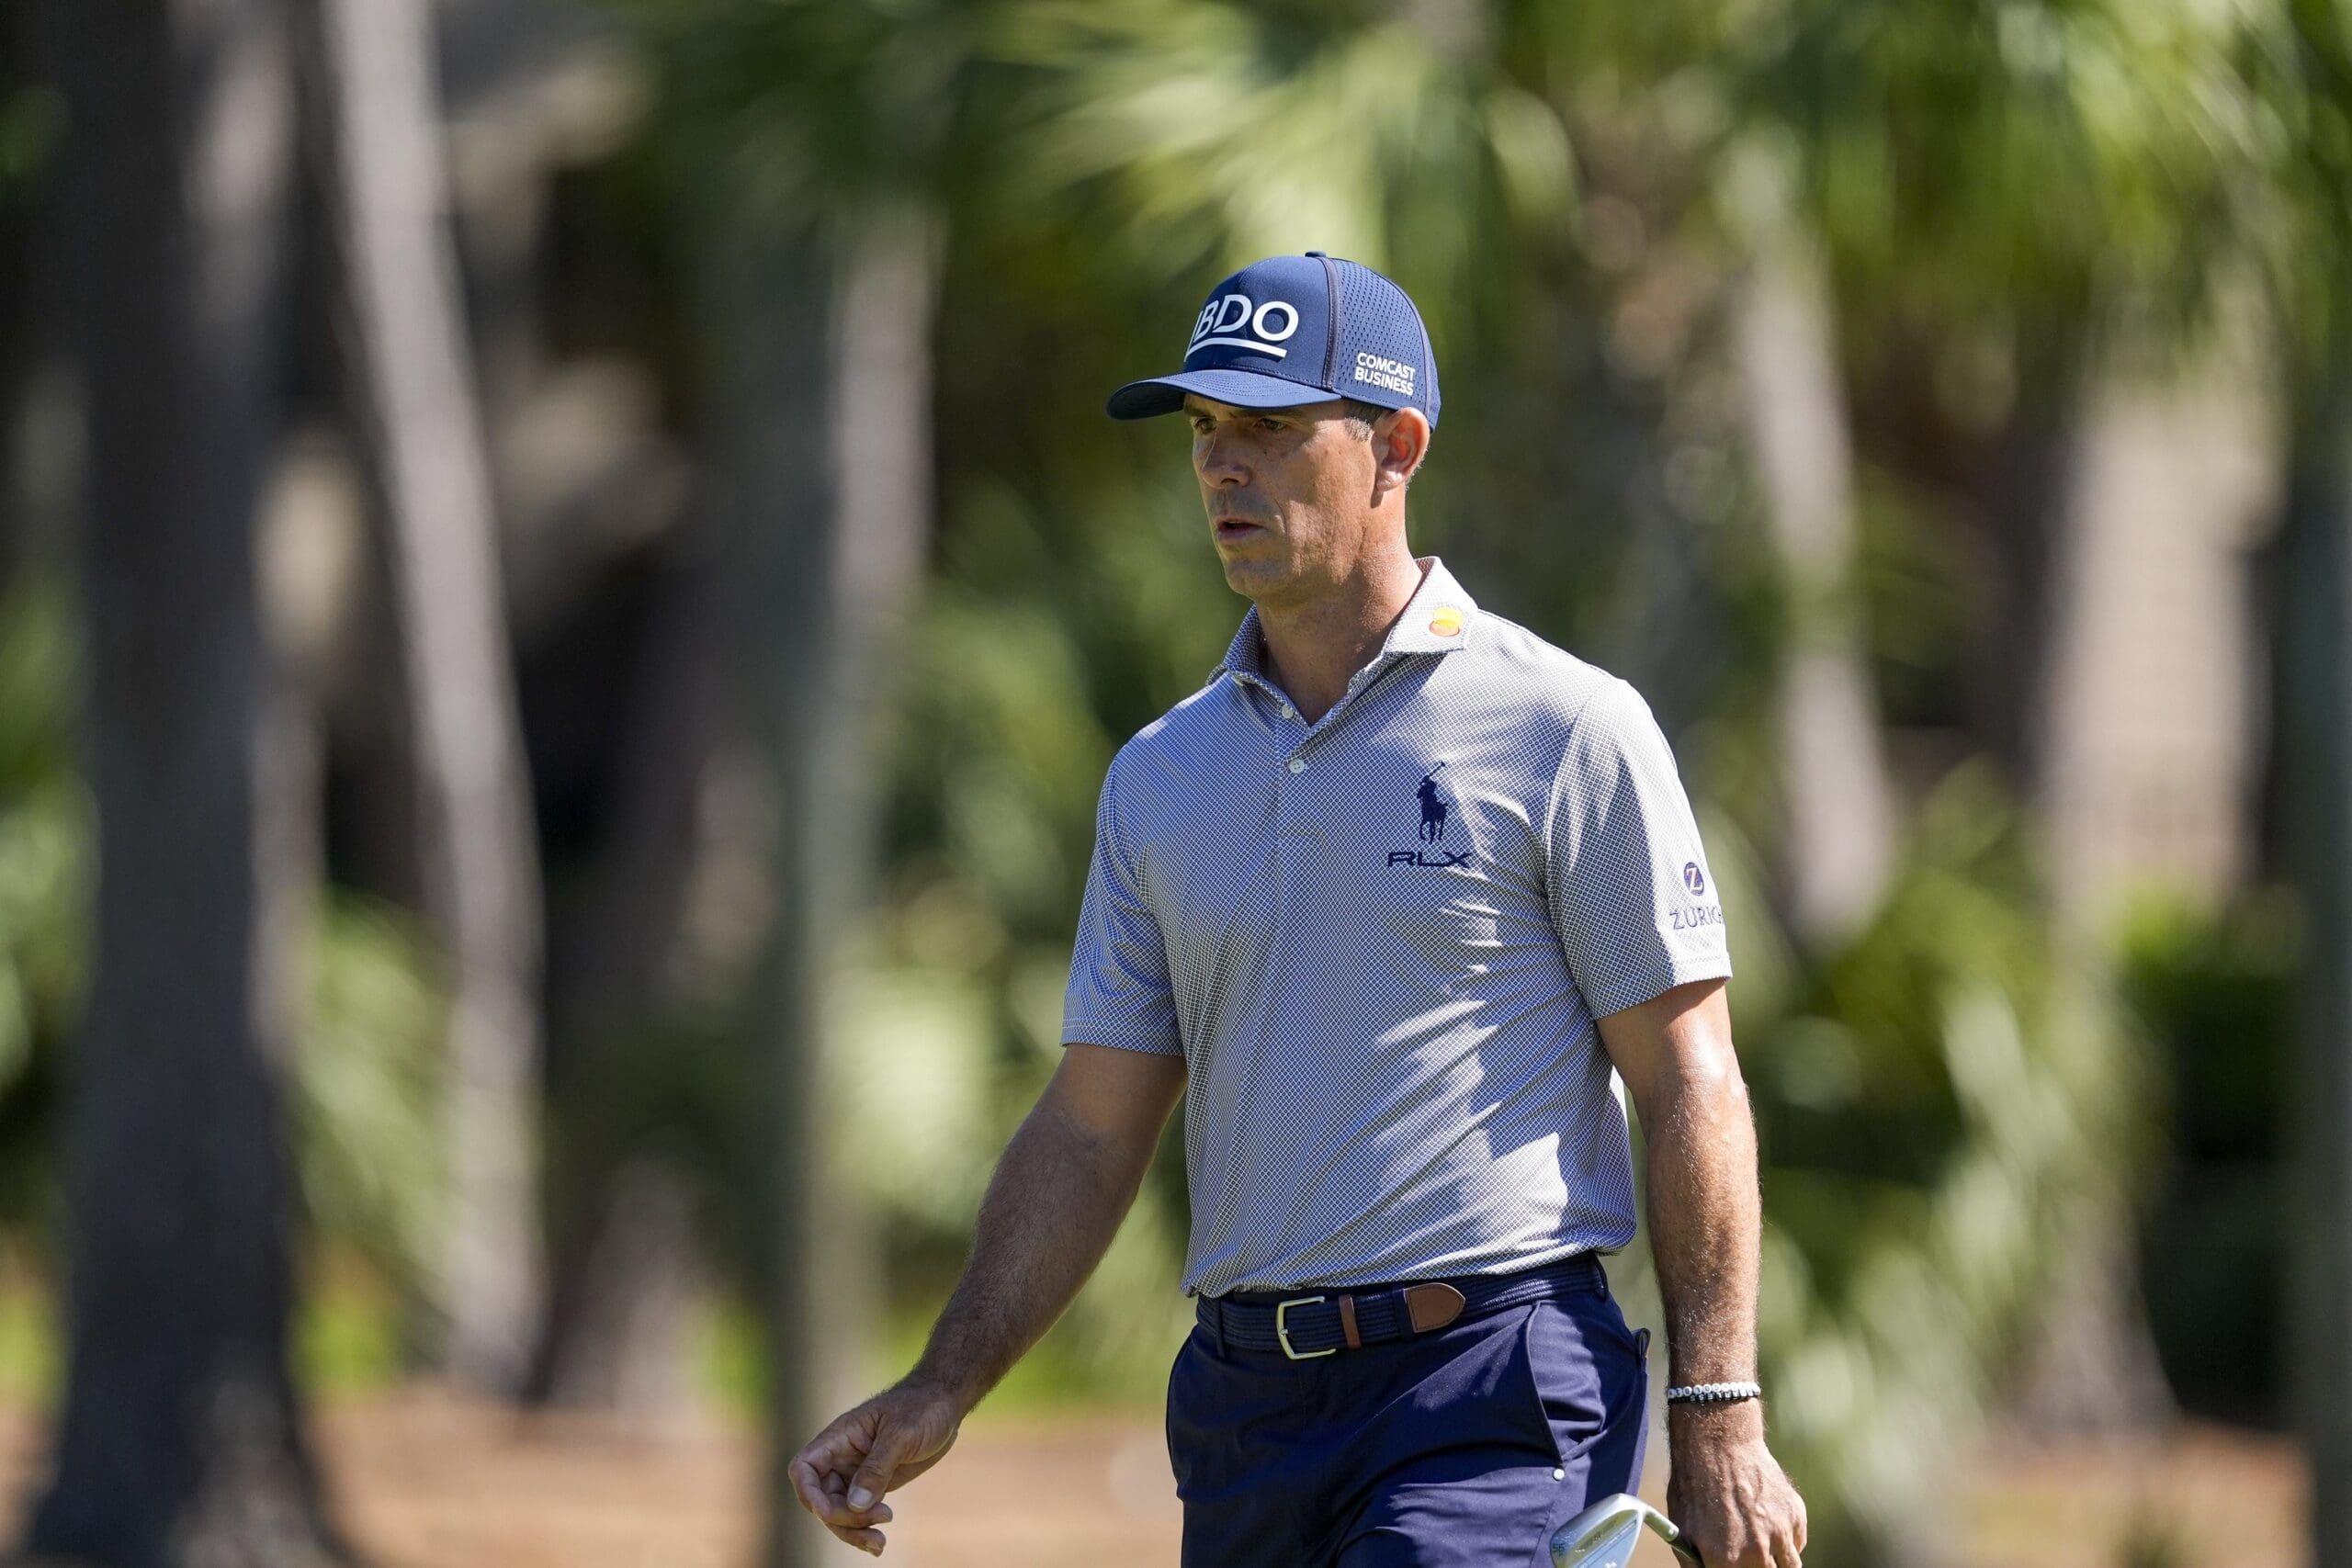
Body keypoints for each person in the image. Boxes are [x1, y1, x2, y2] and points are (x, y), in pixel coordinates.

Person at [788, 252, 1809, 1567]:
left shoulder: (1565, 728)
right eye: (1207, 431)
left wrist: (1719, 1413)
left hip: (1494, 1383)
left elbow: (1689, 1081)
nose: (1221, 467)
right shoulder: (1163, 777)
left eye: (1268, 428)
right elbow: (1094, 1131)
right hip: (1244, 1408)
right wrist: (944, 1385)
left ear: (1397, 446)